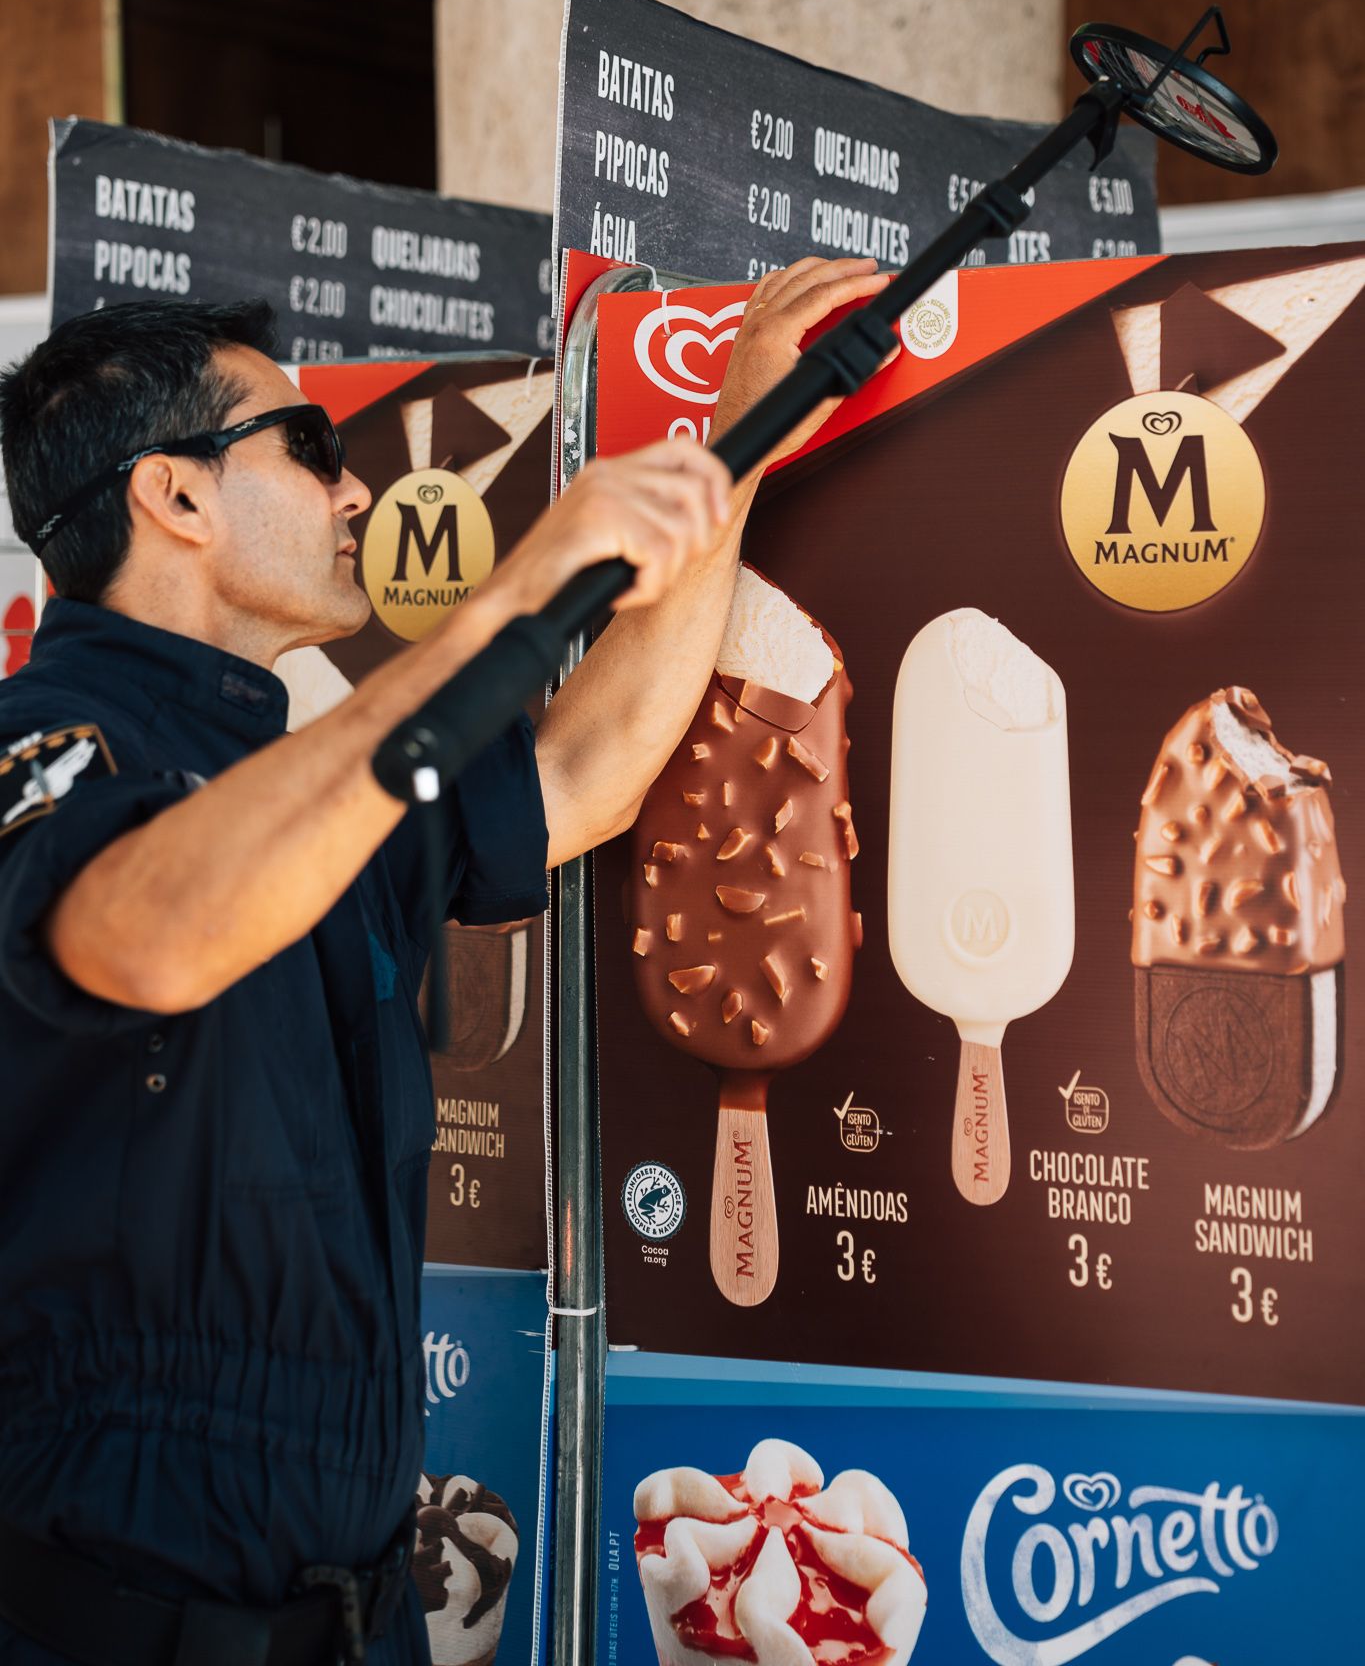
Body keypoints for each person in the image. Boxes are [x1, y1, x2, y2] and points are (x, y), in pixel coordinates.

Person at [0, 256, 889, 1666]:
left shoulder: (305, 774)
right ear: (173, 496)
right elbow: (152, 935)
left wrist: (742, 440)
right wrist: (510, 598)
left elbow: (584, 773)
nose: (354, 494)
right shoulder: (48, 748)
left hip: (355, 1620)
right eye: (308, 449)